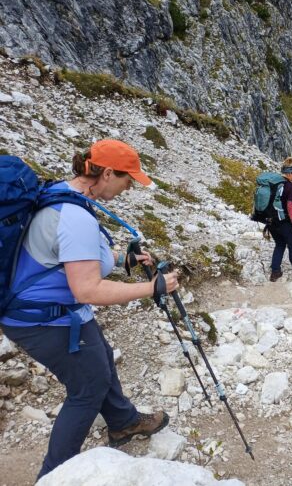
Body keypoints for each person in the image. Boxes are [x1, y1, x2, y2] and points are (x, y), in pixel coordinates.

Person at [0, 139, 180, 480]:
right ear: (108, 173)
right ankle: (53, 475)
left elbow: (71, 254)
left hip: (51, 310)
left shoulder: (64, 195)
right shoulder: (75, 216)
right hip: (42, 319)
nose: (129, 187)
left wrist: (121, 258)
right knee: (88, 388)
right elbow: (88, 289)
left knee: (101, 355)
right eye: (128, 179)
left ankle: (123, 423)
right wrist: (154, 287)